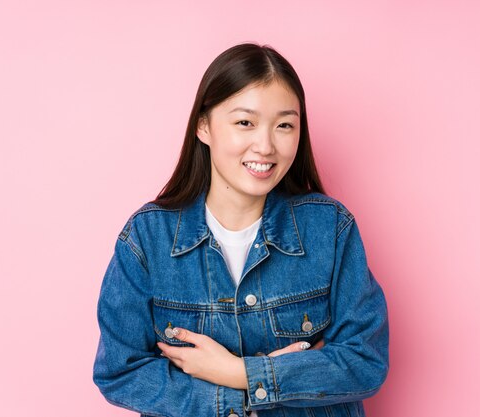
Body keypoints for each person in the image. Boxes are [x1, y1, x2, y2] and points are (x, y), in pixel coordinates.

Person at [93, 42, 389, 417]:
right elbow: (121, 372)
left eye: (284, 125)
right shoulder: (147, 239)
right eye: (245, 122)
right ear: (204, 126)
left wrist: (238, 372)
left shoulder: (329, 228)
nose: (265, 146)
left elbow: (365, 361)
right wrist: (238, 399)